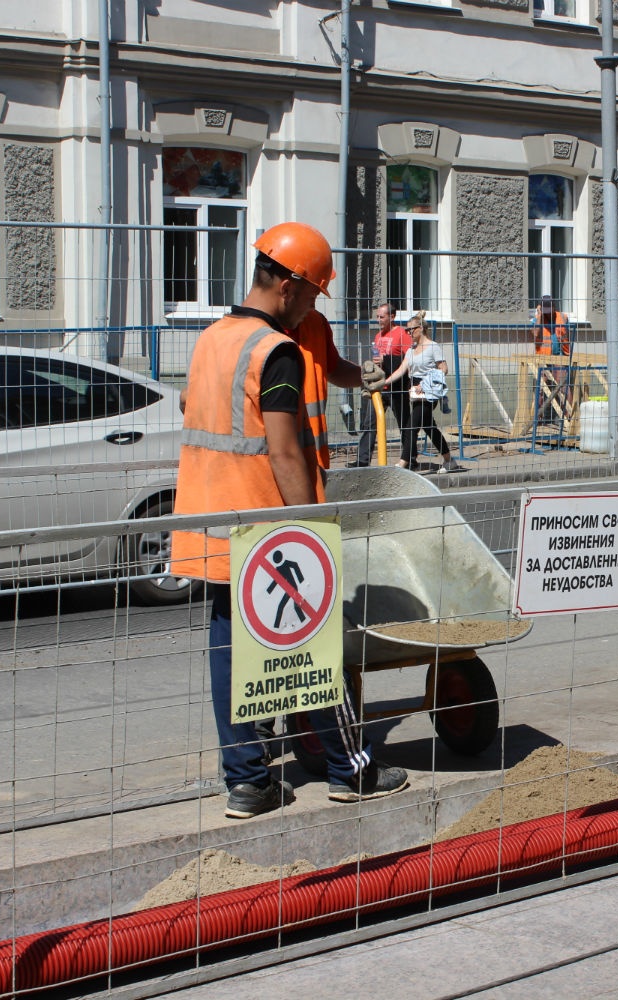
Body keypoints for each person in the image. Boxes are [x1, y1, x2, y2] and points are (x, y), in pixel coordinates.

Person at [170, 220, 409, 818]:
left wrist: (374, 374)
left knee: (230, 650)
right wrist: (312, 527)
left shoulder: (211, 339)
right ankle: (349, 769)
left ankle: (248, 782)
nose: (311, 307)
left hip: (215, 527)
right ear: (290, 285)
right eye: (312, 293)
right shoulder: (274, 351)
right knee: (315, 646)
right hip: (274, 530)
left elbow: (196, 410)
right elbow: (281, 449)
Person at [380, 310, 462, 474]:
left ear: (421, 328)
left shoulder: (433, 347)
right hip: (415, 393)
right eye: (407, 330)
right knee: (430, 428)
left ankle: (403, 463)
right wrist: (383, 382)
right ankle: (449, 460)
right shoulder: (411, 350)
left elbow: (443, 369)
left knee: (411, 426)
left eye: (411, 329)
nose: (409, 333)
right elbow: (401, 370)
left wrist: (424, 385)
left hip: (429, 392)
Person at [354, 301, 411, 467]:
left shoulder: (401, 334)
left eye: (382, 316)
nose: (378, 320)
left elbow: (410, 359)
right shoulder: (378, 336)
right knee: (369, 423)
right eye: (377, 316)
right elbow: (378, 358)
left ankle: (409, 458)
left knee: (404, 424)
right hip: (379, 387)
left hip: (397, 386)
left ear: (392, 317)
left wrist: (386, 360)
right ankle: (362, 461)